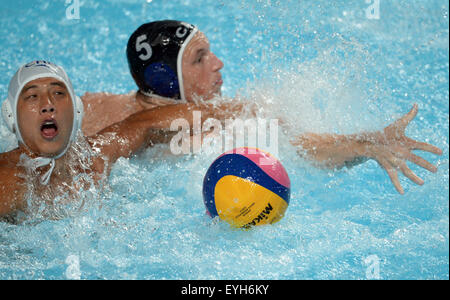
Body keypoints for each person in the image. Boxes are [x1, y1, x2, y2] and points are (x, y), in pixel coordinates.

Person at [80, 20, 443, 195]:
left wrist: (366, 143)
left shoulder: (87, 106)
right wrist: (365, 144)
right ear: (165, 80)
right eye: (200, 59)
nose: (219, 63)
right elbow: (299, 147)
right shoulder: (207, 123)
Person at [0, 60, 221, 220]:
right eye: (32, 96)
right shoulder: (9, 181)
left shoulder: (95, 155)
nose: (47, 104)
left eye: (58, 93)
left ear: (76, 110)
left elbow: (143, 124)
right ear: (11, 116)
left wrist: (237, 111)